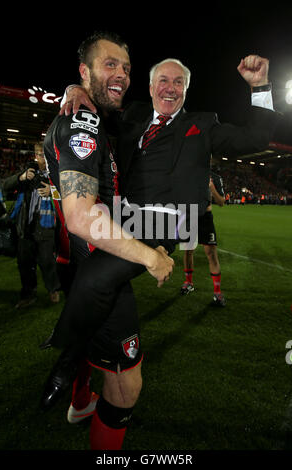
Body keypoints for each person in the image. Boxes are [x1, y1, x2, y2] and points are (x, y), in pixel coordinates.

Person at [43, 45, 277, 450]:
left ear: (186, 90)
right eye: (163, 81)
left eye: (179, 82)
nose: (171, 88)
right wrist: (73, 87)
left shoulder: (203, 125)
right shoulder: (131, 116)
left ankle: (66, 362)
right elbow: (95, 109)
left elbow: (257, 137)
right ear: (150, 87)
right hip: (125, 217)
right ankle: (83, 377)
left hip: (169, 218)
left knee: (99, 275)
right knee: (96, 278)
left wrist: (260, 87)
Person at [41, 31, 174, 451]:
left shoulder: (95, 116)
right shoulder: (82, 121)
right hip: (95, 261)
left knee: (87, 339)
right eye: (110, 64)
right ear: (84, 70)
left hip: (85, 264)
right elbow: (82, 218)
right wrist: (149, 257)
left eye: (126, 68)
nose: (121, 74)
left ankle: (80, 404)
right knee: (124, 386)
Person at [2, 143, 61, 308]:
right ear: (35, 155)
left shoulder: (55, 173)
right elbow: (5, 185)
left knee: (47, 260)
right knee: (24, 262)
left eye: (44, 154)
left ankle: (53, 289)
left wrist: (52, 190)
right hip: (25, 225)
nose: (41, 157)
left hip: (46, 224)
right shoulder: (28, 172)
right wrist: (20, 177)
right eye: (38, 154)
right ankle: (28, 294)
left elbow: (68, 193)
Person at [180, 171, 226, 306]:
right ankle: (188, 283)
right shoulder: (186, 172)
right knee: (188, 251)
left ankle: (217, 292)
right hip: (188, 216)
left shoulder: (216, 177)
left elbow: (221, 202)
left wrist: (211, 188)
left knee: (211, 254)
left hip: (206, 218)